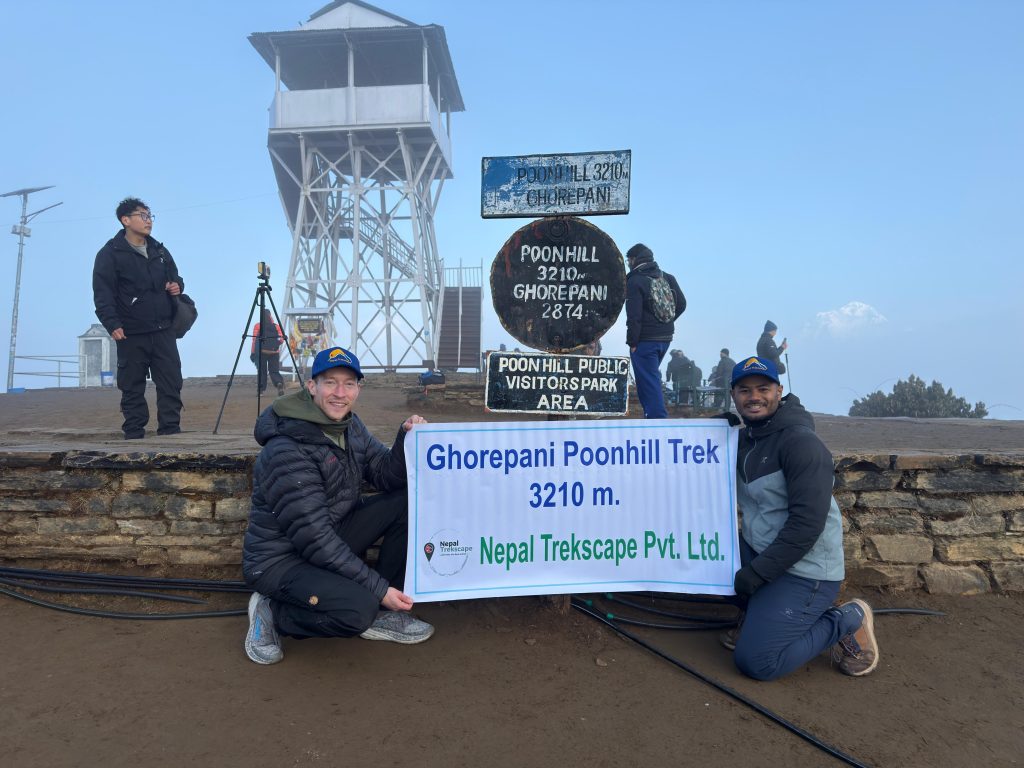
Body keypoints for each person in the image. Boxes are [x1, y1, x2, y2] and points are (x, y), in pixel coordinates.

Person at [242, 346, 433, 665]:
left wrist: (405, 438)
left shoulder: (349, 426)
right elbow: (314, 538)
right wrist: (378, 589)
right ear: (311, 386)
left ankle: (385, 610)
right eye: (330, 382)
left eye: (349, 384)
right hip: (281, 561)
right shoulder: (287, 450)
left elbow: (386, 475)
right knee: (357, 612)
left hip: (329, 535)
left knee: (405, 503)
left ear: (358, 389)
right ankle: (273, 611)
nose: (340, 393)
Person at [722, 355, 878, 681]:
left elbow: (806, 525)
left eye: (763, 388)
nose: (754, 397)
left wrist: (757, 574)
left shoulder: (801, 444)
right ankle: (762, 616)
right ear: (733, 395)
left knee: (757, 662)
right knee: (705, 557)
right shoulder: (746, 439)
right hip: (761, 550)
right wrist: (707, 432)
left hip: (805, 569)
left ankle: (847, 619)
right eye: (745, 390)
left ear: (779, 391)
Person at [92, 197, 184, 439]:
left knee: (171, 381)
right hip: (130, 331)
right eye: (142, 216)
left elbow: (176, 277)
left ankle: (171, 431)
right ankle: (134, 432)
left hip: (163, 328)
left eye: (150, 215)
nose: (148, 221)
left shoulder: (159, 250)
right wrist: (112, 324)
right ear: (125, 220)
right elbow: (103, 294)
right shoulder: (110, 254)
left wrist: (177, 285)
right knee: (132, 385)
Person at [624, 243, 685, 418]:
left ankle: (657, 420)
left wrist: (632, 342)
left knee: (648, 383)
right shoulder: (667, 277)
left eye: (628, 260)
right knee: (650, 378)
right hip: (665, 338)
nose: (628, 263)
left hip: (645, 340)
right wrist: (665, 323)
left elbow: (634, 316)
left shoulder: (635, 281)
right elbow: (681, 304)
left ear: (634, 259)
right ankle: (650, 416)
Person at [251, 308, 286, 396]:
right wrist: (274, 346)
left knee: (262, 371)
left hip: (262, 352)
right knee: (274, 370)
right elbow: (281, 339)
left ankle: (261, 391)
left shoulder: (257, 326)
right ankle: (278, 383)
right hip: (275, 352)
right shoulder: (276, 326)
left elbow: (254, 340)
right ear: (270, 315)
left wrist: (253, 352)